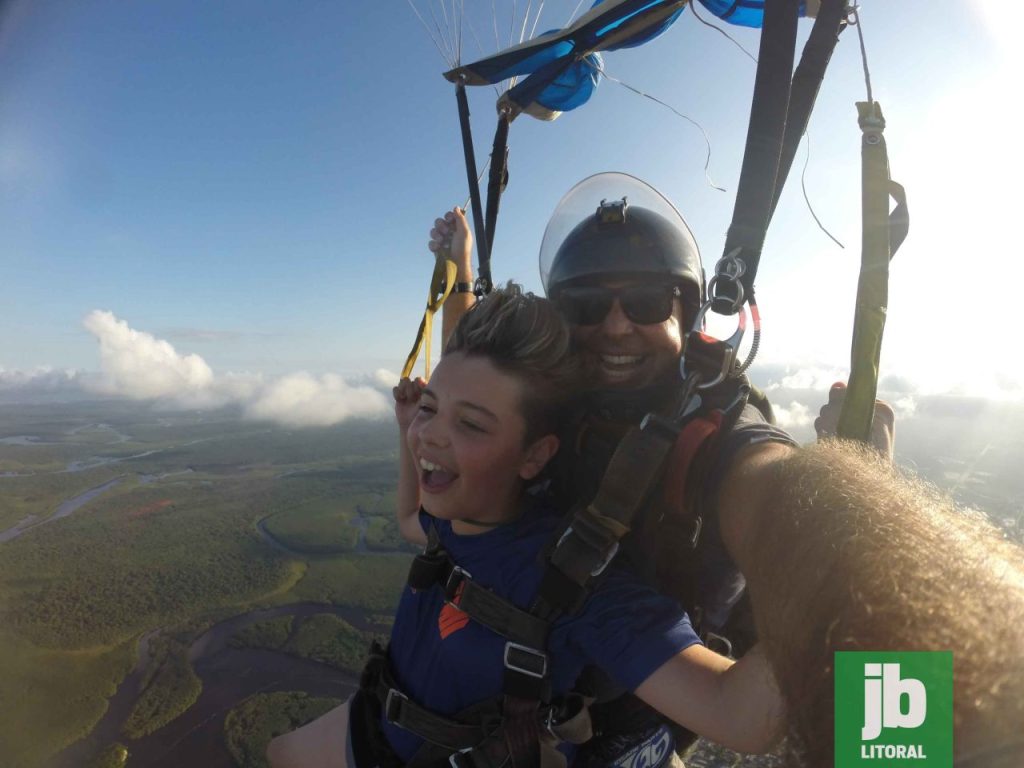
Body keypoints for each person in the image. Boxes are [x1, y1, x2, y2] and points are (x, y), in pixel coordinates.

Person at [428, 175, 1024, 766]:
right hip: (547, 687)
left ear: (684, 312)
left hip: (659, 705)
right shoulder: (562, 393)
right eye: (585, 305)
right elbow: (479, 387)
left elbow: (780, 495)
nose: (614, 326)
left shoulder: (716, 435)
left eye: (644, 302)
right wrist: (461, 268)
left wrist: (858, 491)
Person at [267, 284, 783, 768]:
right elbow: (408, 517)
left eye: (469, 424)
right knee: (277, 753)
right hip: (381, 728)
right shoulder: (457, 519)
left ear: (535, 456)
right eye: (430, 408)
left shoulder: (575, 582)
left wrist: (854, 566)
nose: (431, 436)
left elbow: (738, 717)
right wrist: (411, 422)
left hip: (438, 750)